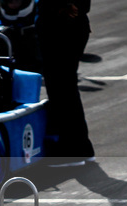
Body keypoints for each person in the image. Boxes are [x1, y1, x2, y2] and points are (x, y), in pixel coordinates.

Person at [35, 0, 95, 165]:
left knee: (61, 90)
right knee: (66, 88)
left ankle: (71, 151)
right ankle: (81, 146)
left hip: (59, 26)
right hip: (68, 24)